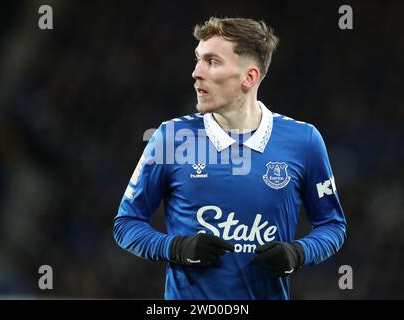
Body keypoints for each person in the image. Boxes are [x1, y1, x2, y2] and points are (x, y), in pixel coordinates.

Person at [113, 17, 347, 300]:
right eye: (198, 59)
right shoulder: (171, 137)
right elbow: (126, 224)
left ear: (249, 78)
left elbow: (332, 226)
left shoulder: (304, 141)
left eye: (212, 62)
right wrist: (175, 248)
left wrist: (299, 253)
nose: (196, 72)